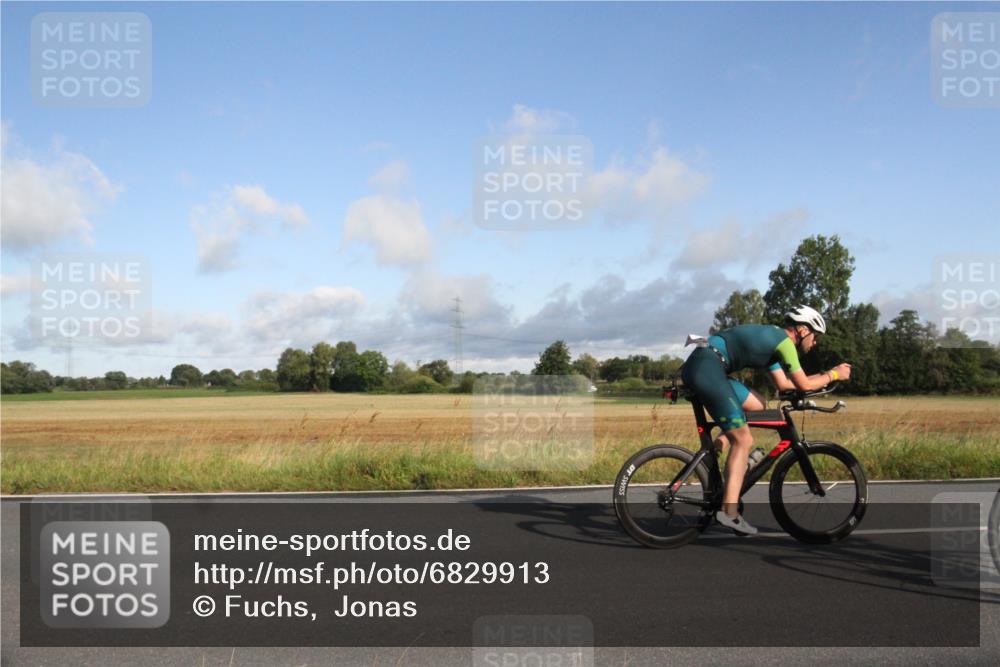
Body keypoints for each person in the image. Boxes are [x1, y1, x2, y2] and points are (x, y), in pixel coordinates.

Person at [679, 305, 852, 535]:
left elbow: (785, 384)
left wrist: (819, 381)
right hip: (707, 367)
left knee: (758, 404)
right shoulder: (784, 343)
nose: (815, 342)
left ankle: (720, 447)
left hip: (707, 364)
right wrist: (834, 374)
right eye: (815, 335)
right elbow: (803, 384)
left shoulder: (773, 344)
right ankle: (729, 513)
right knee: (743, 440)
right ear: (802, 330)